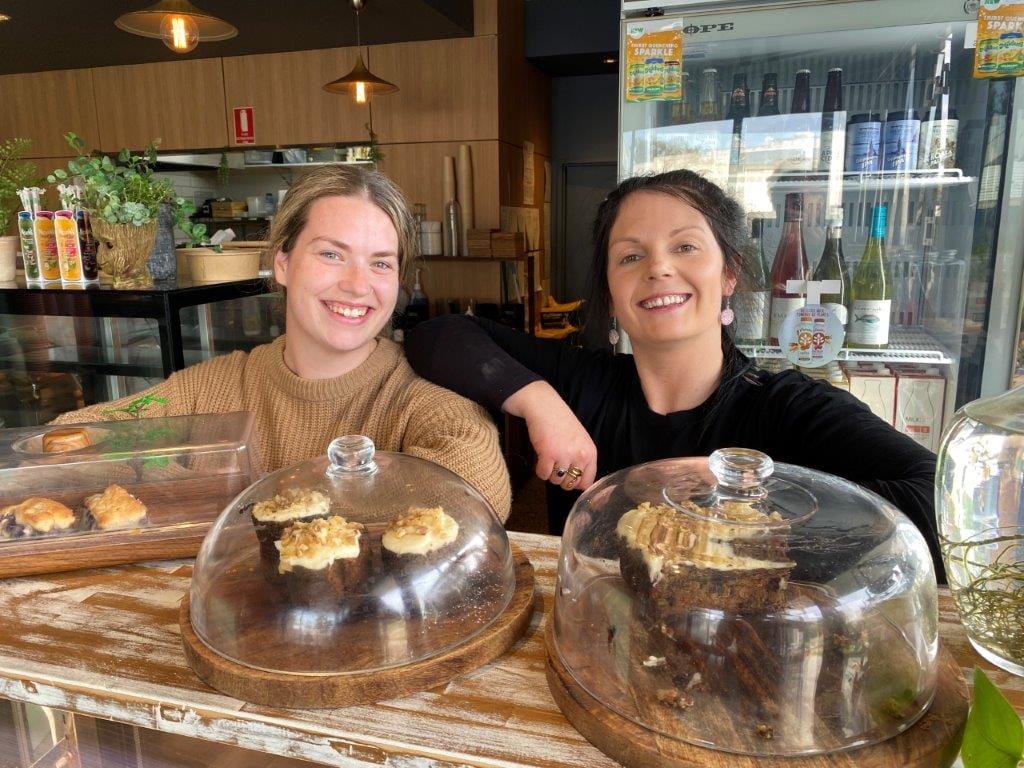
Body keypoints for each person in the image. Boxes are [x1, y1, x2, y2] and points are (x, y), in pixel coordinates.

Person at [406, 169, 942, 574]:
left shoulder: (788, 407)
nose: (659, 267)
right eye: (630, 257)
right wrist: (541, 403)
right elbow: (438, 335)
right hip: (597, 653)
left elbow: (937, 498)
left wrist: (745, 494)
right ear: (612, 295)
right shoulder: (581, 382)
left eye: (685, 246)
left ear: (729, 273)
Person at [53, 165, 510, 520]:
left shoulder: (423, 397)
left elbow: (478, 494)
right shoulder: (209, 391)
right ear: (283, 263)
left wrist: (227, 497)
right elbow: (66, 444)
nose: (357, 285)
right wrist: (171, 474)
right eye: (331, 254)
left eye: (381, 264)